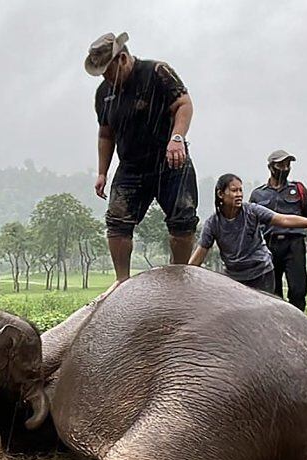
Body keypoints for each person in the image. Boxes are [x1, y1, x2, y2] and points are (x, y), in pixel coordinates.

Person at [86, 31, 198, 281]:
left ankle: (180, 275)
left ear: (123, 59)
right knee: (117, 221)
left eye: (108, 71)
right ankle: (121, 282)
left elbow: (184, 104)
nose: (106, 77)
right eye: (101, 73)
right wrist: (102, 172)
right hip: (131, 165)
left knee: (183, 218)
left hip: (169, 158)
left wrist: (177, 138)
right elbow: (106, 134)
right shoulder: (103, 94)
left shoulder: (157, 72)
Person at [188, 174, 307, 291]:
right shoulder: (213, 223)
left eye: (241, 190)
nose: (239, 195)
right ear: (221, 194)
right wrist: (185, 277)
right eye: (234, 191)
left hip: (261, 272)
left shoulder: (252, 211)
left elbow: (284, 220)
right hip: (234, 278)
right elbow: (199, 256)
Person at [249, 149, 307, 312]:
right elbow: (250, 225)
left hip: (294, 244)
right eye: (280, 164)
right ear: (270, 167)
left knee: (298, 290)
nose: (284, 168)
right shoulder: (258, 194)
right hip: (268, 245)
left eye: (287, 164)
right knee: (270, 291)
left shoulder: (298, 189)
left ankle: (299, 326)